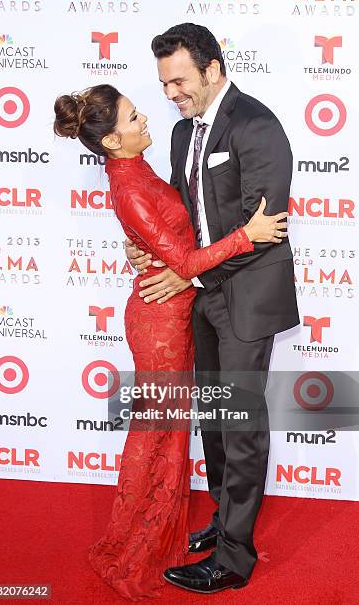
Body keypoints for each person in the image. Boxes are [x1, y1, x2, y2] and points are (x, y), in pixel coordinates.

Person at [53, 83, 289, 600]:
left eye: (171, 86)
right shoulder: (131, 181)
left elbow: (176, 223)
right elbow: (181, 259)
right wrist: (248, 234)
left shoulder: (138, 169)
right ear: (113, 140)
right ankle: (134, 543)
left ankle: (188, 536)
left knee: (187, 429)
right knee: (155, 434)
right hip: (162, 321)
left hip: (191, 309)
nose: (149, 116)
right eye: (135, 117)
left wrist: (141, 245)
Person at [125, 23, 300, 594]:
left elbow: (263, 231)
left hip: (248, 295)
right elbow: (182, 214)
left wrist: (189, 271)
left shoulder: (256, 125)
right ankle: (226, 520)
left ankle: (235, 558)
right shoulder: (182, 134)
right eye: (164, 85)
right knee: (217, 421)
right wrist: (150, 247)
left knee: (242, 424)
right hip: (202, 296)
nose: (171, 94)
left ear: (212, 68)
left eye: (179, 82)